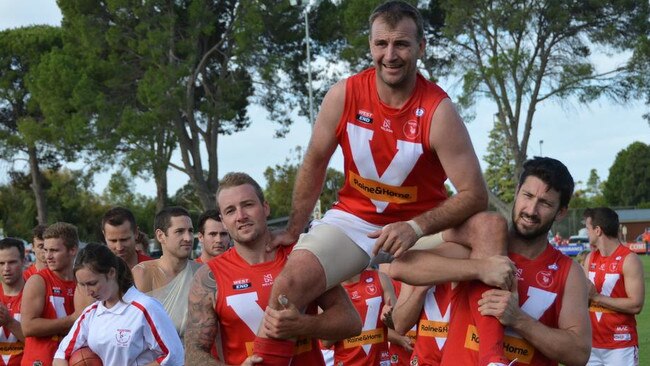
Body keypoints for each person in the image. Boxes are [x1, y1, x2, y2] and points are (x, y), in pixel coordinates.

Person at [264, 2, 513, 364]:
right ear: (370, 46)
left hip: (418, 222)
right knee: (287, 286)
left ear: (421, 48)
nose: (390, 55)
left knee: (490, 225)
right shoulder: (344, 94)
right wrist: (294, 226)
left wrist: (416, 226)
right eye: (381, 44)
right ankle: (269, 359)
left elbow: (476, 193)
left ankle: (492, 359)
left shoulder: (439, 110)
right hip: (353, 220)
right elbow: (315, 161)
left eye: (402, 44)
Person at [391, 157, 592, 366]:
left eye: (545, 203)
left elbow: (579, 353)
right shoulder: (480, 246)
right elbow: (401, 267)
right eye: (528, 196)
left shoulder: (569, 272)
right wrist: (479, 268)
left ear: (561, 212)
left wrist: (518, 319)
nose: (531, 210)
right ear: (516, 193)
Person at [184, 172, 362, 365]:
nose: (241, 216)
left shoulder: (302, 258)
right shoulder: (209, 276)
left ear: (265, 207)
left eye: (248, 205)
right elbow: (193, 354)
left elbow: (350, 322)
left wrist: (302, 325)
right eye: (230, 211)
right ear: (223, 221)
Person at [52, 243, 183, 365]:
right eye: (82, 285)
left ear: (111, 273)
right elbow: (61, 355)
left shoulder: (145, 308)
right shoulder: (91, 313)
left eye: (92, 283)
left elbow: (174, 356)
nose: (88, 292)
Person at [582, 207, 645, 366]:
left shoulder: (629, 259)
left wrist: (596, 297)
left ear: (597, 230)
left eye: (587, 228)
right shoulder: (590, 258)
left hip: (620, 345)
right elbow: (583, 299)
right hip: (591, 344)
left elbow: (636, 305)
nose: (586, 232)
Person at [132, 206, 201, 339]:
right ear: (160, 236)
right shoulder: (144, 273)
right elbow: (135, 329)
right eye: (180, 231)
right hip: (155, 358)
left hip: (195, 357)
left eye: (190, 231)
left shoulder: (201, 272)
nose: (188, 238)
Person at [20, 222, 83, 366]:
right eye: (45, 249)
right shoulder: (38, 281)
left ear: (73, 250)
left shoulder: (82, 281)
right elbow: (28, 327)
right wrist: (72, 320)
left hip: (71, 360)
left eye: (54, 250)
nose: (47, 256)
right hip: (39, 362)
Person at [324, 268, 398, 366]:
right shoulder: (329, 288)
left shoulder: (381, 278)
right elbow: (326, 342)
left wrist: (390, 319)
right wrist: (341, 312)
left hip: (380, 362)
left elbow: (398, 325)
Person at [0, 238, 28, 365]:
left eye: (12, 262)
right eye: (1, 263)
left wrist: (9, 322)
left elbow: (40, 344)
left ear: (24, 261)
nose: (6, 268)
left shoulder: (37, 294)